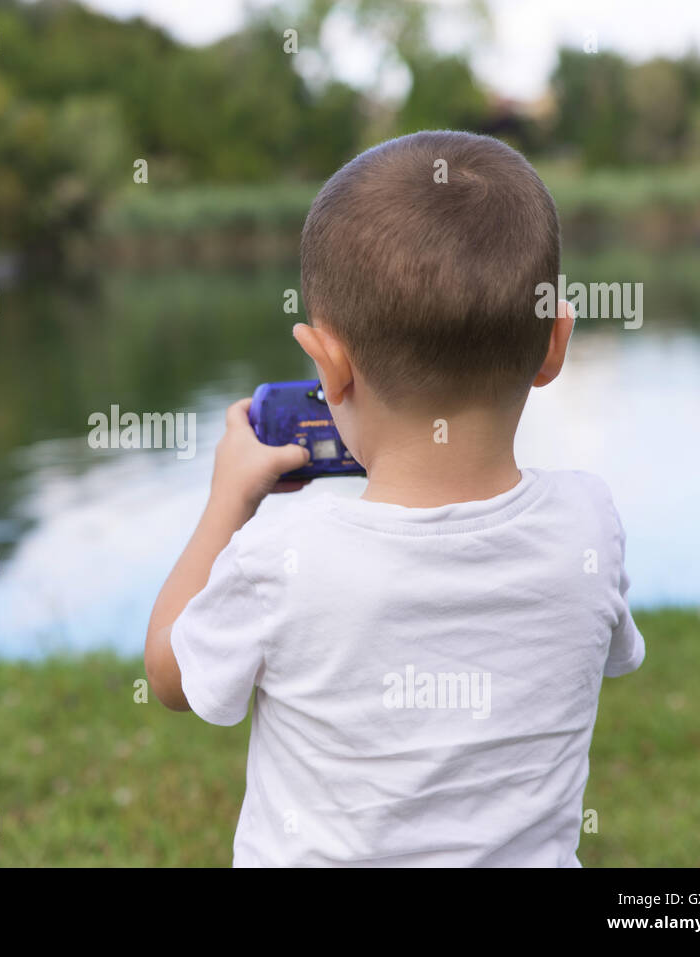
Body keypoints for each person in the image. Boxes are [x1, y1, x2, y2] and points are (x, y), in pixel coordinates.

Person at [144, 130, 645, 867]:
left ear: (327, 365)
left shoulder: (288, 556)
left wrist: (229, 501)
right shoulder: (589, 525)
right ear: (554, 344)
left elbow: (169, 672)